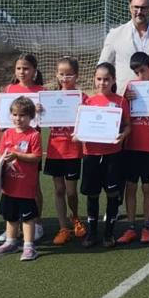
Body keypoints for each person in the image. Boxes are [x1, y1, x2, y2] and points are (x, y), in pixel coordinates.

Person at [79, 62, 131, 248]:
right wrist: (78, 135)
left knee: (112, 194)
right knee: (92, 195)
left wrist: (122, 135)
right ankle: (92, 233)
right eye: (99, 79)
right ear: (94, 79)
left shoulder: (120, 101)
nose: (102, 83)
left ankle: (109, 233)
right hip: (91, 154)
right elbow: (81, 125)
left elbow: (127, 126)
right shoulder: (88, 102)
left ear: (113, 80)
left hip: (112, 155)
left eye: (106, 79)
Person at [118, 52, 149, 246]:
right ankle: (130, 227)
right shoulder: (131, 87)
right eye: (136, 72)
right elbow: (122, 113)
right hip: (131, 146)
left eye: (143, 71)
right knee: (130, 187)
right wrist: (125, 98)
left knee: (148, 188)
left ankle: (146, 227)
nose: (140, 76)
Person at [0, 96, 43, 261]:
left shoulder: (33, 135)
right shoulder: (7, 133)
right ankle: (11, 242)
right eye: (14, 115)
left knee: (27, 217)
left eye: (22, 115)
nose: (18, 119)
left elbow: (36, 157)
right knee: (10, 215)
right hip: (9, 185)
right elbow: (0, 155)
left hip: (25, 186)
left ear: (30, 117)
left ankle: (29, 246)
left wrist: (17, 155)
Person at [44, 57, 88, 246]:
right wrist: (39, 110)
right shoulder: (49, 97)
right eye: (61, 74)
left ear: (76, 76)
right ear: (56, 74)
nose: (64, 77)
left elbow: (89, 118)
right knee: (59, 189)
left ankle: (75, 217)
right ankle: (63, 227)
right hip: (55, 150)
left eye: (69, 74)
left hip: (72, 150)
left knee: (71, 191)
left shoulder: (82, 97)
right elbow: (38, 119)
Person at [3, 54, 45, 242]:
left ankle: (36, 223)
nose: (22, 72)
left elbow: (46, 121)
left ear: (34, 71)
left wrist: (43, 111)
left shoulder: (41, 91)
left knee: (33, 186)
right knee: (10, 185)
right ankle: (13, 226)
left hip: (30, 145)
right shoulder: (9, 89)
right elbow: (4, 119)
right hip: (11, 143)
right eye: (19, 68)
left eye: (26, 68)